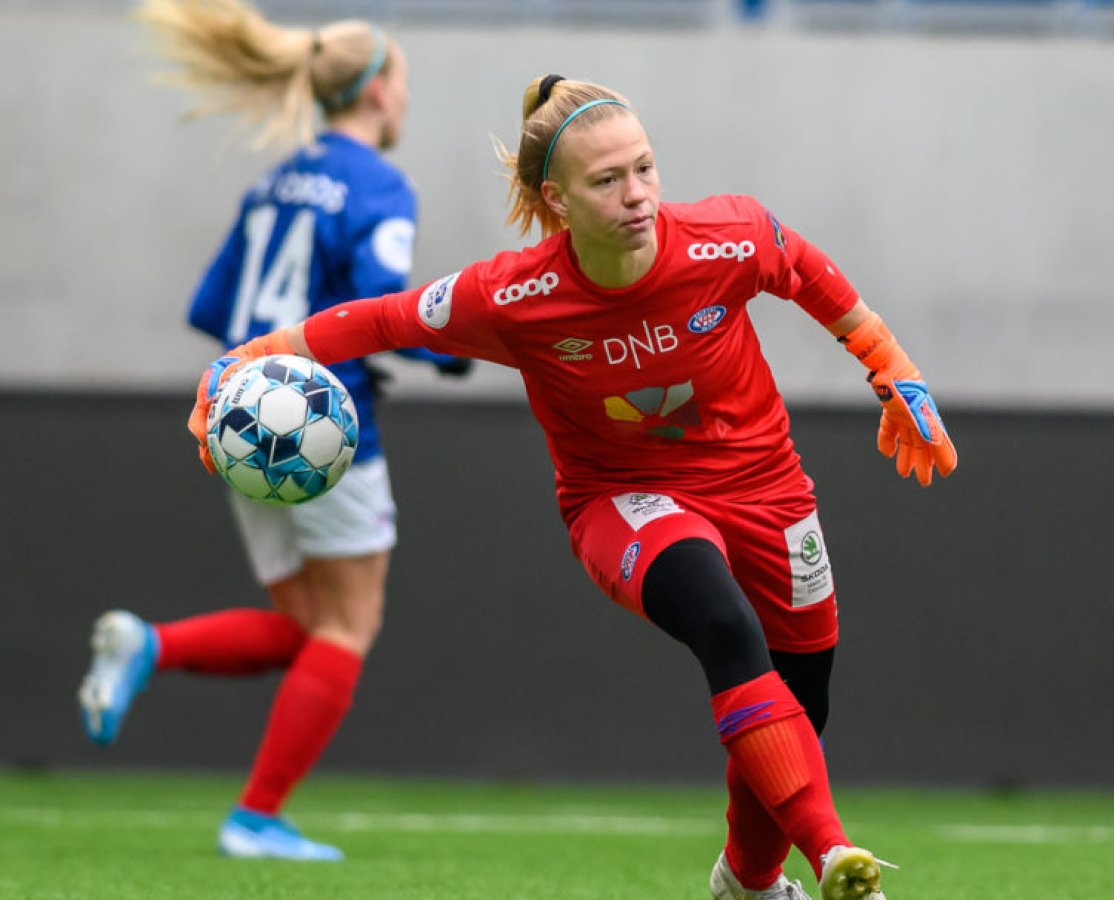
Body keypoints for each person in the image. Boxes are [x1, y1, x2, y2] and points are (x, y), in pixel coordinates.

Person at [183, 75, 956, 898]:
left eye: (645, 169)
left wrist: (893, 370)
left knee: (803, 699)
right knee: (726, 625)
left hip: (768, 488)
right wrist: (256, 354)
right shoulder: (513, 294)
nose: (638, 196)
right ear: (556, 198)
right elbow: (383, 318)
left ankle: (748, 881)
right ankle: (836, 857)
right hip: (624, 501)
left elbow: (803, 268)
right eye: (608, 180)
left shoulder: (726, 236)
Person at [76, 0, 470, 861]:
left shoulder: (274, 181)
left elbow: (211, 307)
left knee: (303, 626)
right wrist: (453, 349)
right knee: (349, 626)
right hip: (327, 427)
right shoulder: (377, 185)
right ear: (375, 91)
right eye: (402, 78)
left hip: (234, 419)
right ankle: (255, 818)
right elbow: (383, 305)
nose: (407, 96)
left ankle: (150, 645)